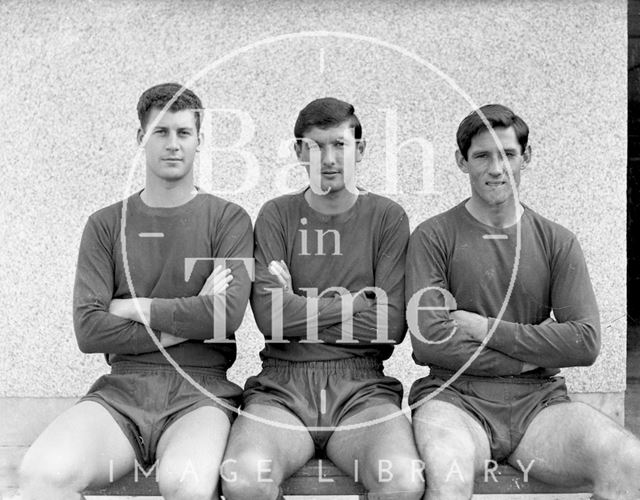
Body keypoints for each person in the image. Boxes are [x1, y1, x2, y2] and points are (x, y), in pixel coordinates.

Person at [19, 83, 253, 500]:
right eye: (160, 132)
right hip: (122, 390)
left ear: (200, 140)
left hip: (201, 393)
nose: (172, 144)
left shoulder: (228, 220)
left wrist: (133, 307)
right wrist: (189, 316)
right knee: (41, 475)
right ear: (140, 138)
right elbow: (89, 331)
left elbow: (226, 316)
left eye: (183, 132)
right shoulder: (105, 225)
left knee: (186, 484)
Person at [406, 103, 640, 500]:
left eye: (508, 154)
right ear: (461, 162)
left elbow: (584, 342)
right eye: (481, 156)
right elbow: (430, 340)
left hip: (539, 404)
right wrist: (539, 348)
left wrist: (485, 329)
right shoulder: (433, 237)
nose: (496, 168)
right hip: (455, 399)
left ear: (526, 157)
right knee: (448, 480)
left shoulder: (557, 241)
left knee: (629, 462)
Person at [221, 97, 423, 500]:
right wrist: (354, 303)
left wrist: (298, 304)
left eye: (340, 145)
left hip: (362, 388)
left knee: (401, 481)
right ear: (299, 151)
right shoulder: (277, 215)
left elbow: (390, 326)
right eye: (314, 146)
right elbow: (271, 320)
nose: (328, 158)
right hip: (281, 386)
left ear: (360, 150)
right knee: (244, 480)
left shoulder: (387, 217)